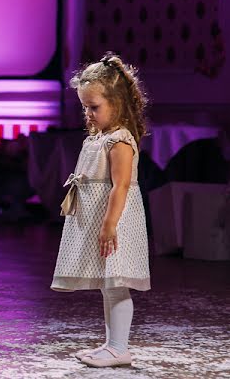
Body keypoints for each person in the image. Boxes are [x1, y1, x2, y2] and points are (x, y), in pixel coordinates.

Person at [51, 53, 150, 368]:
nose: (89, 114)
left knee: (116, 284)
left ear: (117, 103)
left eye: (94, 107)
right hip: (101, 221)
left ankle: (120, 347)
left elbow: (120, 186)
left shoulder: (120, 140)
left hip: (116, 222)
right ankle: (111, 345)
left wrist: (109, 225)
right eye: (85, 107)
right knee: (108, 286)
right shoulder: (99, 137)